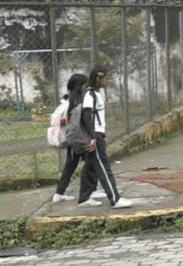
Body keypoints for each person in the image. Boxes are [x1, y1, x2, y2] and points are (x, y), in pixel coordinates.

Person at [77, 65, 134, 209]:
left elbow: (98, 118)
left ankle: (85, 196)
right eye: (105, 78)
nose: (107, 80)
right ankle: (115, 199)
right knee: (103, 167)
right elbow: (86, 116)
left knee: (90, 165)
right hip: (94, 135)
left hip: (98, 134)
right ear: (98, 78)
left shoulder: (96, 94)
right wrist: (93, 137)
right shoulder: (90, 94)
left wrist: (102, 135)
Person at [51, 73, 89, 203]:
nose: (86, 86)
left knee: (72, 166)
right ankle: (88, 191)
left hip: (75, 141)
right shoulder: (75, 102)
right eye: (85, 84)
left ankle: (59, 193)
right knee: (91, 163)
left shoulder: (71, 100)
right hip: (77, 141)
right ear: (80, 86)